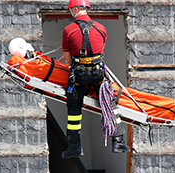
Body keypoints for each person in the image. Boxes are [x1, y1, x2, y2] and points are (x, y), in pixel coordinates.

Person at [61, 0, 130, 159]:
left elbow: (67, 60)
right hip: (99, 74)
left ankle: (74, 147)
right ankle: (118, 141)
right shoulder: (101, 28)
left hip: (78, 75)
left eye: (71, 10)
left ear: (76, 9)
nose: (71, 12)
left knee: (74, 109)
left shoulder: (68, 30)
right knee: (110, 103)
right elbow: (99, 51)